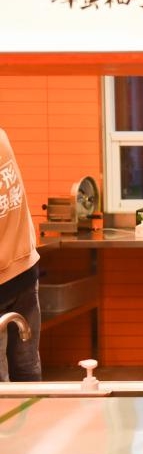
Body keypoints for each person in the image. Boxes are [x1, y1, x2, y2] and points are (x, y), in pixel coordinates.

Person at [0, 128, 42, 382]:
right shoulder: (1, 137)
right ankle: (37, 421)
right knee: (27, 367)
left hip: (5, 276)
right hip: (25, 268)